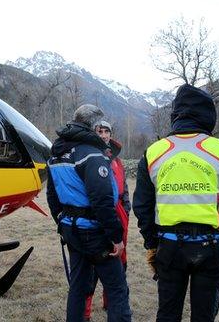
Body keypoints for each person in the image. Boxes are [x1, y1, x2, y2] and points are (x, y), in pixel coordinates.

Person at [133, 84, 219, 322]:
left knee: (167, 314)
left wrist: (151, 242)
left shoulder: (153, 153)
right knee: (204, 316)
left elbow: (142, 205)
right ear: (208, 115)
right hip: (211, 246)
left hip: (168, 246)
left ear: (175, 115)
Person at [46, 105, 131, 322]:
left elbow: (52, 196)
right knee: (117, 289)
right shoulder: (91, 154)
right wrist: (116, 237)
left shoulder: (57, 153)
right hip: (94, 232)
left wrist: (62, 222)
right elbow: (102, 201)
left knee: (78, 287)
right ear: (93, 125)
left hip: (72, 229)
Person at [84, 120, 131, 321]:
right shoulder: (88, 156)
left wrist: (126, 209)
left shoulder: (117, 161)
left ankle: (110, 303)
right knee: (93, 268)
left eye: (106, 131)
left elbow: (125, 189)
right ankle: (85, 312)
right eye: (99, 131)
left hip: (119, 215)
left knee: (119, 262)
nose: (103, 135)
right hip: (97, 216)